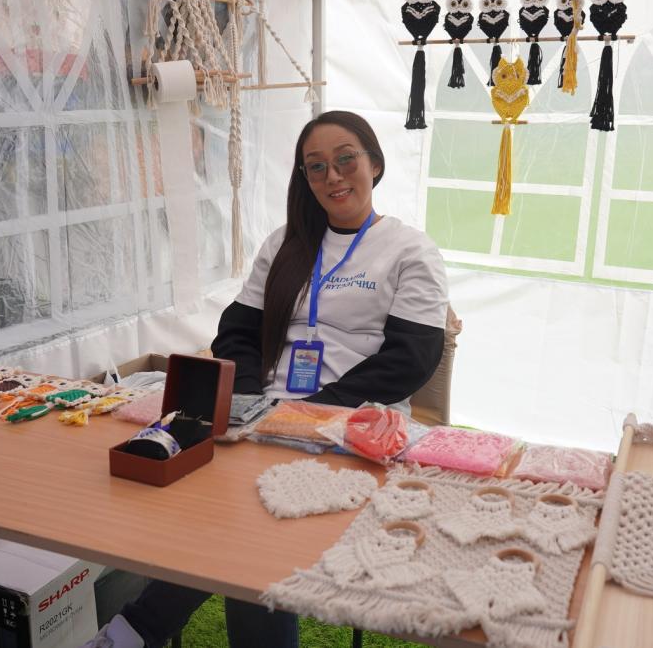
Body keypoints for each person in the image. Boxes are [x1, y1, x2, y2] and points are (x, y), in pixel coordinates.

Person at [85, 110, 450, 648]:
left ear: (374, 163)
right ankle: (133, 632)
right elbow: (236, 332)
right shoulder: (285, 243)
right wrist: (255, 403)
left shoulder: (410, 250)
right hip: (264, 419)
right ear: (305, 179)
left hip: (354, 425)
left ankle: (132, 631)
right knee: (219, 504)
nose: (333, 176)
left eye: (345, 160)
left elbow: (411, 359)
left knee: (240, 519)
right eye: (316, 166)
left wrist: (310, 413)